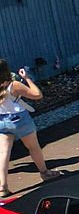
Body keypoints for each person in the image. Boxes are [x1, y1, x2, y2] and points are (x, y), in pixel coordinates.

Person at [0, 62, 46, 194]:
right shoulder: (14, 85)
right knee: (33, 147)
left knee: (3, 153)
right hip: (19, 119)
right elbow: (37, 94)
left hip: (1, 121)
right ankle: (44, 173)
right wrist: (27, 78)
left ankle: (2, 187)